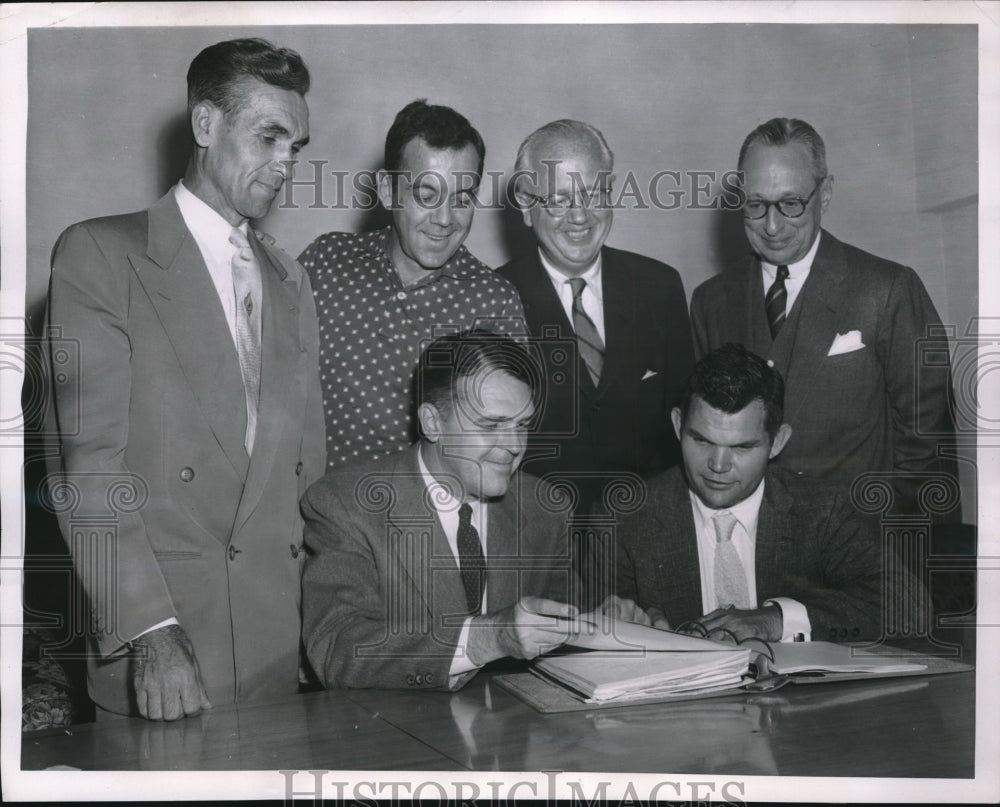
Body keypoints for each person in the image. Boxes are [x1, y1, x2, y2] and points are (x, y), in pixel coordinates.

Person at [46, 38, 326, 719]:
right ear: (206, 125)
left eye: (297, 145)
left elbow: (308, 477)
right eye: (269, 137)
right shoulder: (103, 255)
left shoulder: (292, 281)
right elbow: (91, 471)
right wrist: (149, 630)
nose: (287, 162)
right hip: (164, 656)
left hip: (279, 655)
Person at [689, 118, 957, 517]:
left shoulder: (888, 289)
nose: (773, 226)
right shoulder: (710, 301)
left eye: (792, 203)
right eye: (756, 204)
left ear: (825, 193)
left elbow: (927, 450)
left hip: (862, 548)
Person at [301, 331, 581, 690]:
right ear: (432, 423)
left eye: (522, 425)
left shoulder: (545, 506)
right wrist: (489, 639)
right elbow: (337, 652)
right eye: (490, 425)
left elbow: (564, 634)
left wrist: (607, 619)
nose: (514, 446)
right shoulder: (346, 503)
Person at [608, 343, 919, 642]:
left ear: (778, 442)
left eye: (742, 447)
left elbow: (909, 607)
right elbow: (602, 612)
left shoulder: (823, 510)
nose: (718, 465)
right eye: (701, 441)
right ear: (678, 425)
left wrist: (777, 619)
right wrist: (631, 624)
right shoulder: (627, 516)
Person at [299, 100, 525, 470]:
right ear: (388, 191)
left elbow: (502, 445)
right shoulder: (327, 261)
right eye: (426, 196)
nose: (445, 219)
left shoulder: (494, 302)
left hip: (420, 518)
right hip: (306, 510)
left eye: (462, 198)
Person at [498, 120, 694, 516]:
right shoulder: (494, 297)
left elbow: (686, 424)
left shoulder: (660, 287)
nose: (580, 216)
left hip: (647, 533)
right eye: (558, 199)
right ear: (525, 206)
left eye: (594, 193)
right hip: (539, 542)